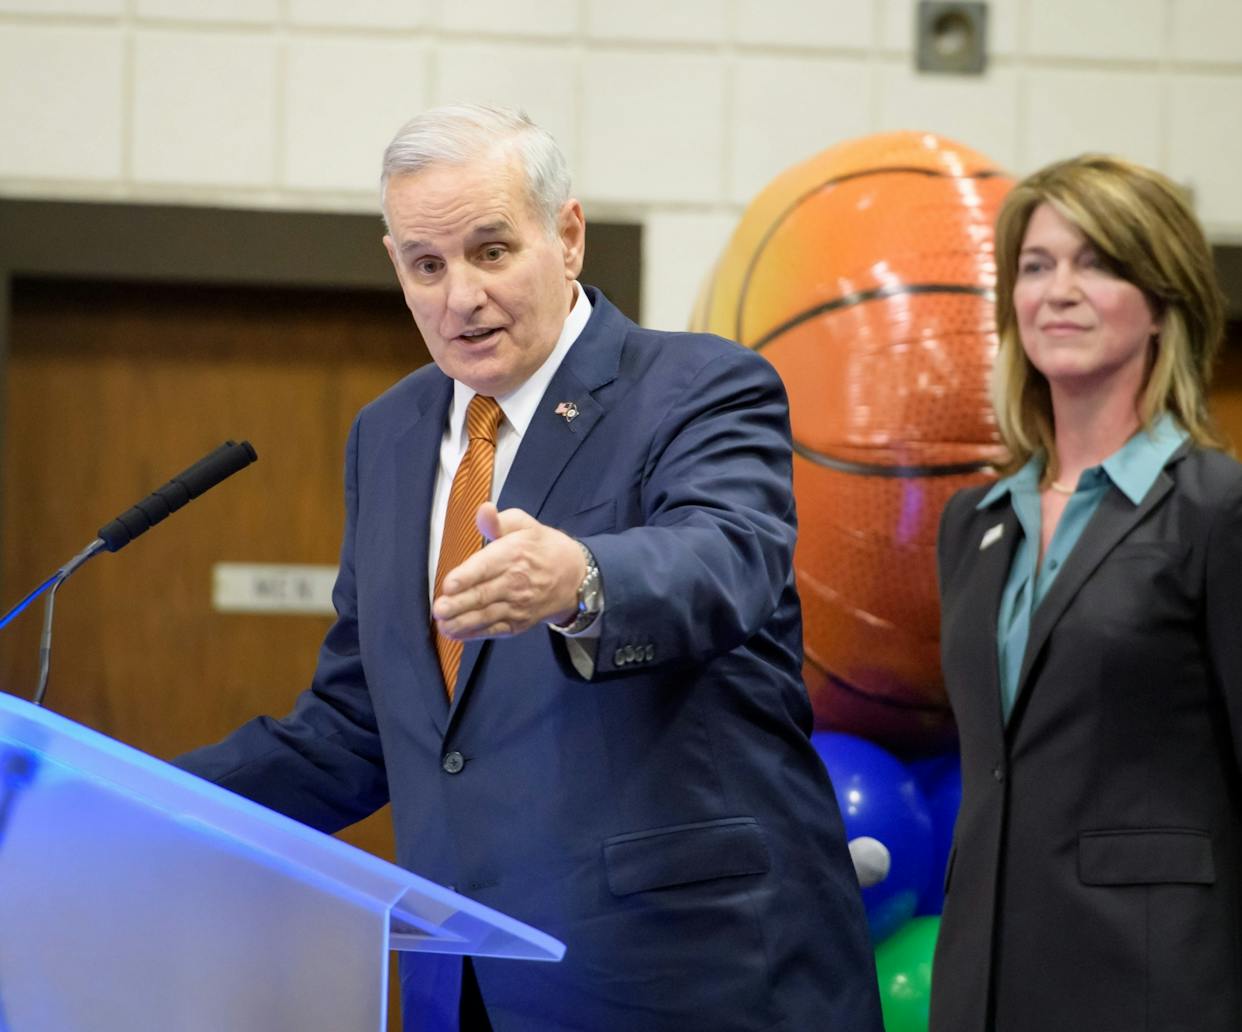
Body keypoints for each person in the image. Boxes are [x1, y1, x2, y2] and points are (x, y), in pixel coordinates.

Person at [176, 104, 882, 1032]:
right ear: (396, 265)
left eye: (492, 251)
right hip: (463, 982)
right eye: (427, 266)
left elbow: (726, 558)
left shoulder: (700, 385)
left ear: (569, 236)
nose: (459, 295)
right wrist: (131, 800)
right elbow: (360, 725)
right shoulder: (388, 436)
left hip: (687, 977)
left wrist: (582, 580)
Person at [929, 154, 1242, 1032]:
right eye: (1037, 266)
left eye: (1099, 263)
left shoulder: (1228, 515)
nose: (1060, 290)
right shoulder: (973, 524)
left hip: (1160, 996)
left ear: (1163, 304)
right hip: (983, 995)